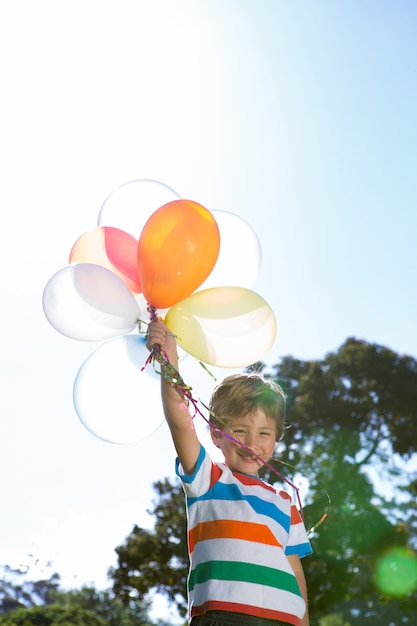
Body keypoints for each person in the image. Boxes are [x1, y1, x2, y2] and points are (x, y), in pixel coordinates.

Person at [146, 319, 312, 626]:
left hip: (284, 620)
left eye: (264, 433)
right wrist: (170, 358)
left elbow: (295, 570)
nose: (252, 443)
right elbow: (181, 422)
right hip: (224, 615)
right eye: (239, 430)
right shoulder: (208, 478)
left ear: (276, 439)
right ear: (216, 434)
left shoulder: (285, 501)